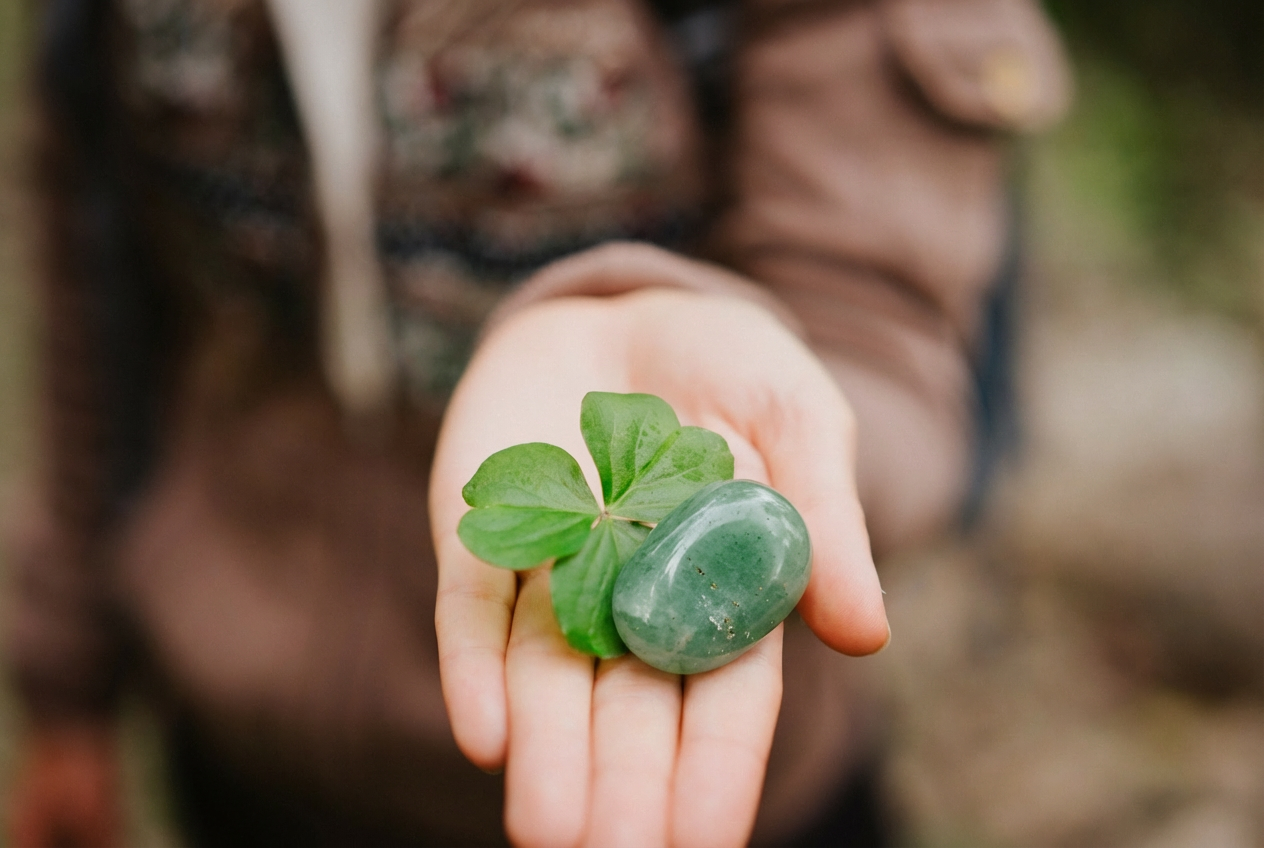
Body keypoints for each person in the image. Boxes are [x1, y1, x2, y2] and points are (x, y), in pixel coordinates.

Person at [5, 0, 1070, 845]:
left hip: (699, 795)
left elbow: (881, 332)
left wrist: (777, 394)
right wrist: (68, 671)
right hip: (240, 738)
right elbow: (100, 291)